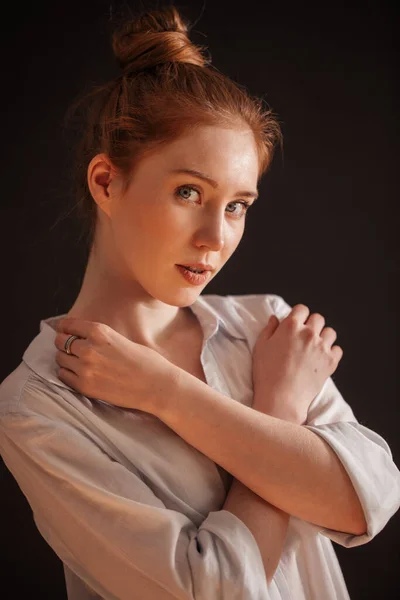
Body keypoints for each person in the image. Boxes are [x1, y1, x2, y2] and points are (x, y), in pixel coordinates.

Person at [1, 5, 399, 600]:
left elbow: (365, 503)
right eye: (190, 192)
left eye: (238, 205)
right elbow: (213, 591)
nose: (217, 237)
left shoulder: (268, 327)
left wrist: (168, 392)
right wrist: (278, 410)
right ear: (107, 182)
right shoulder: (38, 406)